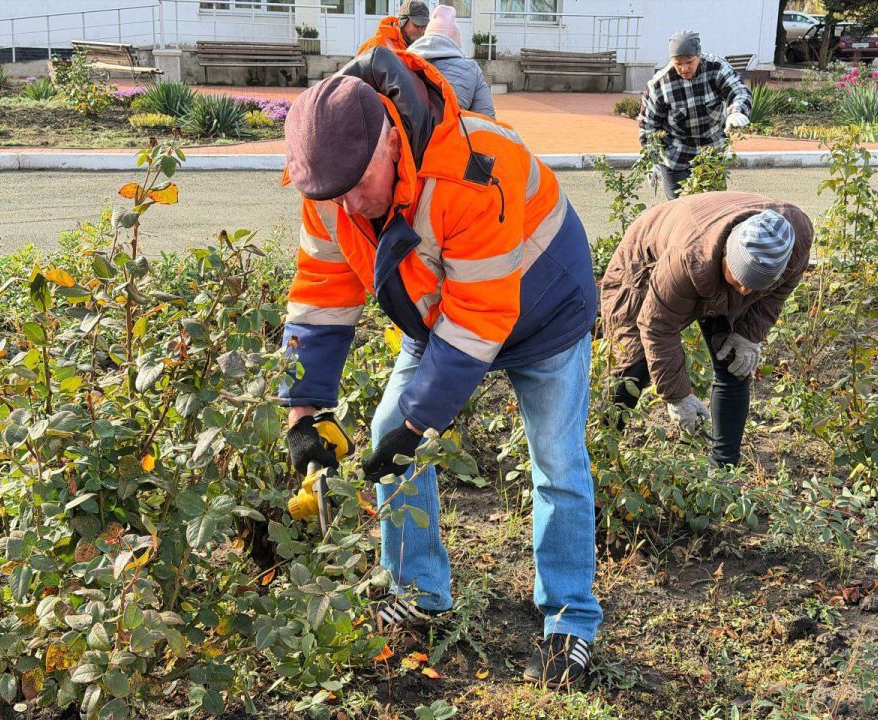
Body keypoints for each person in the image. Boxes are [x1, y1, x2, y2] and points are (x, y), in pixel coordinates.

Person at [279, 46, 601, 687]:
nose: (346, 209)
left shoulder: (470, 169)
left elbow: (481, 318)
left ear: (389, 143)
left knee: (558, 463)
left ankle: (570, 623)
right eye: (331, 197)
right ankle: (419, 593)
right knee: (384, 436)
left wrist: (421, 423)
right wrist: (304, 410)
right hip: (439, 313)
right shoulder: (332, 181)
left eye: (356, 190)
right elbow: (321, 290)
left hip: (545, 308)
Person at [599, 192, 813, 467]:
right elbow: (657, 327)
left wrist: (749, 335)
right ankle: (599, 455)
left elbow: (777, 293)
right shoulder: (687, 259)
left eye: (754, 286)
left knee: (735, 362)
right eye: (739, 281)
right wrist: (678, 397)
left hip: (706, 267)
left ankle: (724, 470)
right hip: (647, 259)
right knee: (633, 365)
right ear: (726, 254)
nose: (745, 291)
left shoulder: (795, 242)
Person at [639, 31, 752, 199]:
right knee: (680, 213)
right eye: (678, 63)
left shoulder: (717, 68)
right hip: (676, 157)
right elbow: (648, 125)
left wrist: (736, 112)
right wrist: (651, 160)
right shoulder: (659, 85)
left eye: (689, 62)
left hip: (711, 156)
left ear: (699, 54)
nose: (684, 68)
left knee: (713, 210)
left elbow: (739, 92)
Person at [406, 4, 495, 118]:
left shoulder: (405, 61)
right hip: (453, 133)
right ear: (456, 40)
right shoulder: (472, 69)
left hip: (409, 133)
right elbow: (487, 117)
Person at [357, 0, 429, 54]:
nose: (421, 30)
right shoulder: (376, 45)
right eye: (417, 25)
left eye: (424, 26)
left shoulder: (424, 47)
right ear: (403, 21)